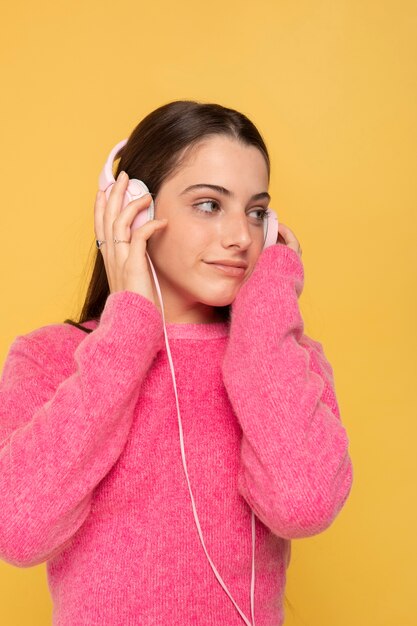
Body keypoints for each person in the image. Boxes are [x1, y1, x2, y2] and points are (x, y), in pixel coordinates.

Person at [0, 100, 353, 626]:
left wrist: (269, 303)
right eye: (209, 204)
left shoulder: (285, 357)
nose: (241, 237)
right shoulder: (50, 358)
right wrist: (129, 330)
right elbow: (19, 530)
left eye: (256, 213)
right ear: (136, 210)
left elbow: (302, 504)